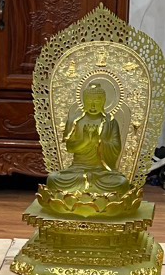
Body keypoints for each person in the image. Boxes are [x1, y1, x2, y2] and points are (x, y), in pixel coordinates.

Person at [41, 82, 137, 214]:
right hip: (77, 170)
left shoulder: (111, 122)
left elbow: (116, 147)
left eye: (97, 101)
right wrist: (85, 141)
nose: (93, 105)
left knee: (121, 183)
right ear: (83, 101)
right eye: (89, 101)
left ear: (103, 101)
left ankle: (73, 199)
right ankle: (100, 200)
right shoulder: (75, 121)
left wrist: (99, 141)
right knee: (53, 179)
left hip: (102, 172)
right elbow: (70, 148)